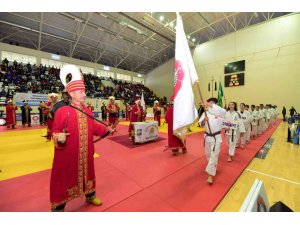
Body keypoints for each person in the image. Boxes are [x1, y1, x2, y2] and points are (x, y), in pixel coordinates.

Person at [50, 64, 114, 212]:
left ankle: (90, 195)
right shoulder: (62, 111)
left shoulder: (88, 112)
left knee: (89, 173)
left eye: (84, 91)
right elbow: (55, 131)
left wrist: (107, 129)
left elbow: (95, 128)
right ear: (71, 93)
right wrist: (57, 136)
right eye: (81, 92)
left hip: (87, 153)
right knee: (64, 178)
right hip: (69, 155)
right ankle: (59, 206)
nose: (84, 94)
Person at [199, 97, 226, 184]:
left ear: (215, 105)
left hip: (216, 137)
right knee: (208, 155)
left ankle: (210, 175)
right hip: (207, 137)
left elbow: (225, 116)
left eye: (212, 103)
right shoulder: (205, 113)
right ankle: (213, 166)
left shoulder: (220, 113)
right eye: (210, 103)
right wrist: (204, 120)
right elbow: (200, 124)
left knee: (214, 155)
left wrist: (229, 127)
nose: (210, 105)